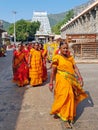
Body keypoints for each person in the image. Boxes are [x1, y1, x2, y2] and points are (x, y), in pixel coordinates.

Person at [49, 41, 88, 129]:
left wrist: (80, 78)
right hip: (61, 80)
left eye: (67, 48)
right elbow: (53, 71)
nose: (66, 50)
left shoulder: (70, 58)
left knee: (71, 97)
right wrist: (51, 82)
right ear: (60, 49)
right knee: (65, 96)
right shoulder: (57, 58)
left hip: (71, 80)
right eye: (64, 48)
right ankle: (65, 118)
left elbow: (75, 68)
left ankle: (66, 114)